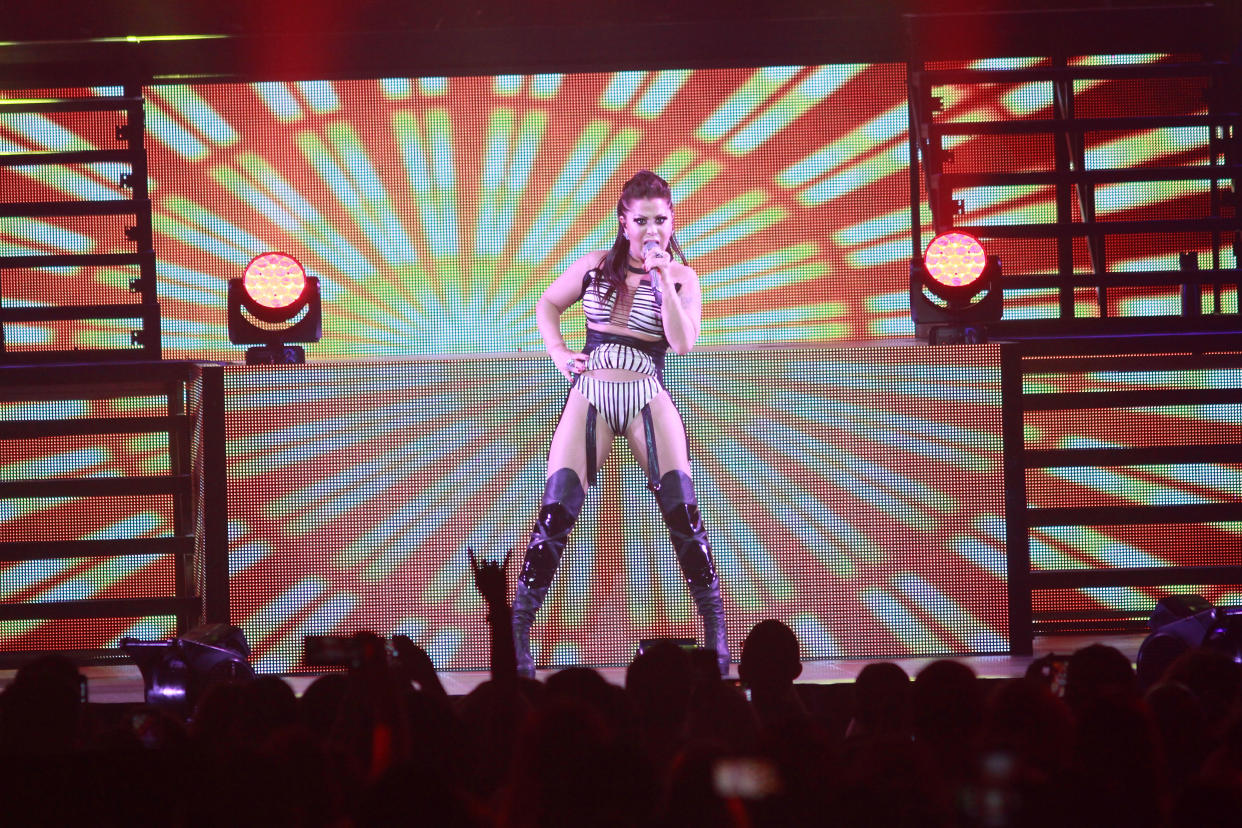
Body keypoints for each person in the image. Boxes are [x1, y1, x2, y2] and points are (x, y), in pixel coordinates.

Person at [511, 169, 728, 678]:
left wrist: (662, 280)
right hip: (591, 392)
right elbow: (546, 303)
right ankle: (518, 628)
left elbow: (682, 343)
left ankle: (715, 629)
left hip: (646, 391)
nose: (653, 229)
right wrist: (559, 351)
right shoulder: (593, 267)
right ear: (623, 222)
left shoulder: (682, 277)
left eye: (662, 220)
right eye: (642, 220)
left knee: (682, 510)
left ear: (673, 222)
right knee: (559, 507)